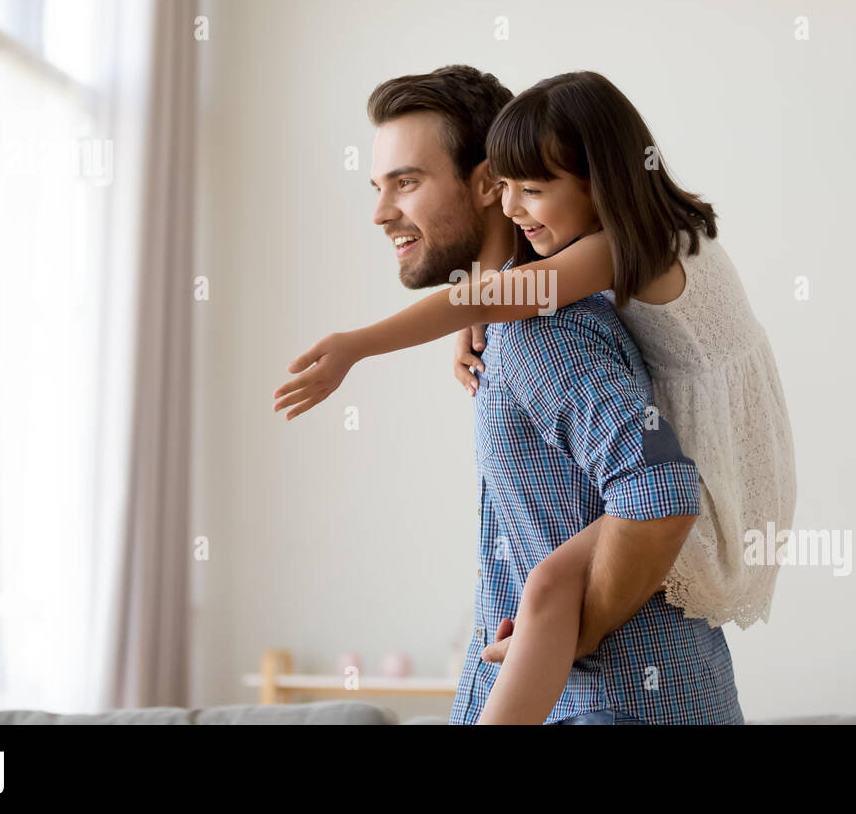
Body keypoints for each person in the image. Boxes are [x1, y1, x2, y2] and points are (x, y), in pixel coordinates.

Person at [276, 65, 764, 724]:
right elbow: (493, 296)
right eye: (377, 186)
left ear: (482, 183)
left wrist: (357, 345)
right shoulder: (521, 316)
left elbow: (660, 490)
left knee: (550, 589)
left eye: (407, 182)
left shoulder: (549, 325)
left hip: (607, 703)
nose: (380, 211)